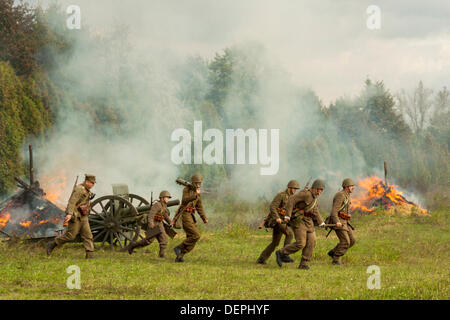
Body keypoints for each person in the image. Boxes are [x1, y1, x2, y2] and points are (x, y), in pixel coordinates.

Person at [276, 179, 326, 269]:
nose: (320, 192)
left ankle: (304, 264)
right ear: (314, 188)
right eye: (319, 189)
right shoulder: (306, 194)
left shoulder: (315, 197)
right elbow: (291, 200)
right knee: (301, 243)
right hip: (300, 221)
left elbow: (315, 210)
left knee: (312, 242)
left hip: (309, 222)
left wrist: (321, 222)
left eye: (321, 190)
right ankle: (281, 252)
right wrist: (287, 215)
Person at [47, 174, 96, 259]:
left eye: (93, 183)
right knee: (70, 236)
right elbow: (72, 202)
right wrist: (69, 214)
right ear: (87, 182)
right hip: (76, 216)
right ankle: (52, 244)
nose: (92, 185)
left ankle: (90, 255)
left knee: (88, 235)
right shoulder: (79, 189)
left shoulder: (87, 190)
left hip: (83, 216)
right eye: (91, 183)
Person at [256, 180, 300, 264]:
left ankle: (261, 259)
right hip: (278, 221)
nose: (295, 190)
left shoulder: (292, 198)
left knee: (275, 243)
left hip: (284, 221)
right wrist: (277, 218)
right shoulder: (281, 195)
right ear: (289, 187)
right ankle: (284, 254)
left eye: (296, 189)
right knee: (290, 234)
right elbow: (273, 207)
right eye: (294, 188)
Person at [172, 173, 208, 262]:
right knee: (196, 235)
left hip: (191, 215)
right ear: (193, 182)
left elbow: (199, 206)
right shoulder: (186, 189)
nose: (199, 185)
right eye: (197, 183)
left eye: (200, 183)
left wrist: (204, 218)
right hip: (184, 214)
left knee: (191, 238)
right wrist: (195, 195)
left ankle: (180, 256)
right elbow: (184, 200)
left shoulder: (197, 191)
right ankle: (178, 248)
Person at [126, 190, 173, 258]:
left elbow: (165, 215)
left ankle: (162, 254)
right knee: (148, 241)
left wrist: (170, 222)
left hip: (160, 224)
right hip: (154, 224)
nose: (168, 199)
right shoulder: (157, 205)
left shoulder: (164, 206)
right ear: (162, 198)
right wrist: (151, 225)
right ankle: (133, 245)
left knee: (164, 238)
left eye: (168, 198)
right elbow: (151, 215)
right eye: (167, 197)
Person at [327, 178, 356, 265]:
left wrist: (348, 216)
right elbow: (334, 211)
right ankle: (336, 259)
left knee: (352, 240)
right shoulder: (340, 195)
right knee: (345, 241)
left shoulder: (347, 195)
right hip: (339, 222)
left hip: (345, 222)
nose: (353, 188)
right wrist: (337, 221)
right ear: (347, 187)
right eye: (351, 186)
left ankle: (333, 252)